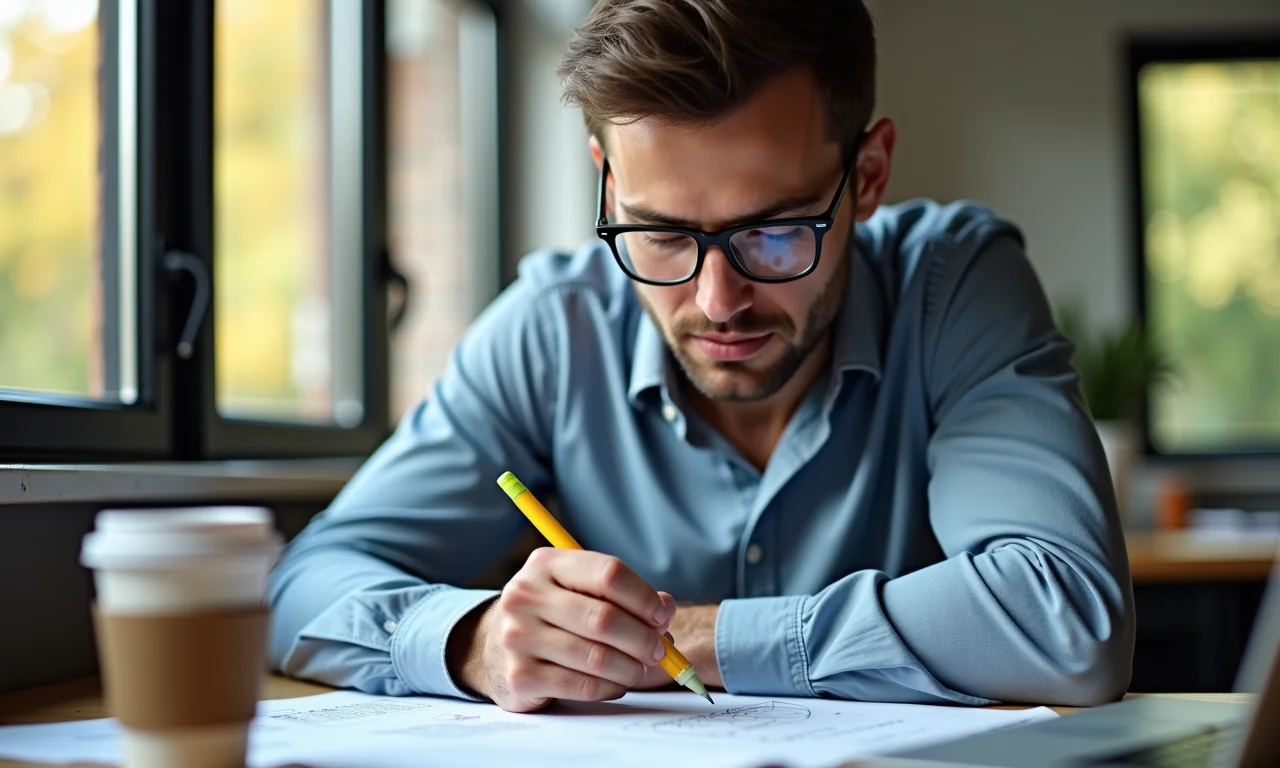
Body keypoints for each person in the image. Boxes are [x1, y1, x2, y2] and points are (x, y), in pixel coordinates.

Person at [267, 0, 1135, 714]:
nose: (718, 301)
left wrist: (687, 637)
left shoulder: (954, 288)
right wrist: (475, 640)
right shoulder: (552, 329)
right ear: (609, 183)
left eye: (775, 230)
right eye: (658, 232)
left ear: (868, 175)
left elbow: (1068, 622)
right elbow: (303, 585)